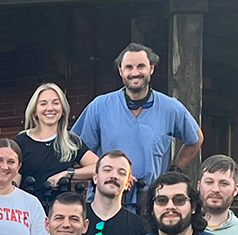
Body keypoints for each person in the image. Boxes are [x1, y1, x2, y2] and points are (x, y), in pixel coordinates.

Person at [72, 43, 203, 209]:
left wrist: (174, 170)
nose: (135, 73)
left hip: (151, 203)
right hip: (107, 203)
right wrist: (108, 171)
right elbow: (76, 147)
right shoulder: (100, 106)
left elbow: (196, 138)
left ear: (151, 68)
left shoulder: (171, 108)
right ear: (121, 71)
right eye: (129, 67)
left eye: (141, 66)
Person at [15, 83, 97, 206]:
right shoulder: (21, 141)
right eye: (43, 103)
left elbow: (99, 167)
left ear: (62, 109)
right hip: (27, 211)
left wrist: (68, 173)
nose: (50, 108)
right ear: (35, 111)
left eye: (55, 103)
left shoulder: (71, 141)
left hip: (60, 214)